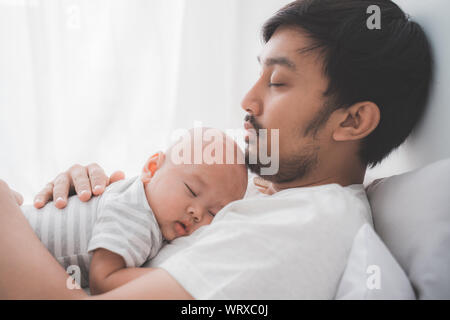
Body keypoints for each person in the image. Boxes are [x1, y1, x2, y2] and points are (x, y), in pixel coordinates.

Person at [0, 0, 433, 299]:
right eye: (258, 75)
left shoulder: (305, 225)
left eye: (278, 82)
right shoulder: (249, 195)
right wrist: (82, 211)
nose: (247, 101)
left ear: (353, 121)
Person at [16, 128, 248, 294]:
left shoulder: (142, 203)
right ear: (152, 167)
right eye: (191, 190)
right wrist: (183, 280)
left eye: (214, 213)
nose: (197, 212)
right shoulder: (138, 213)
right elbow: (103, 280)